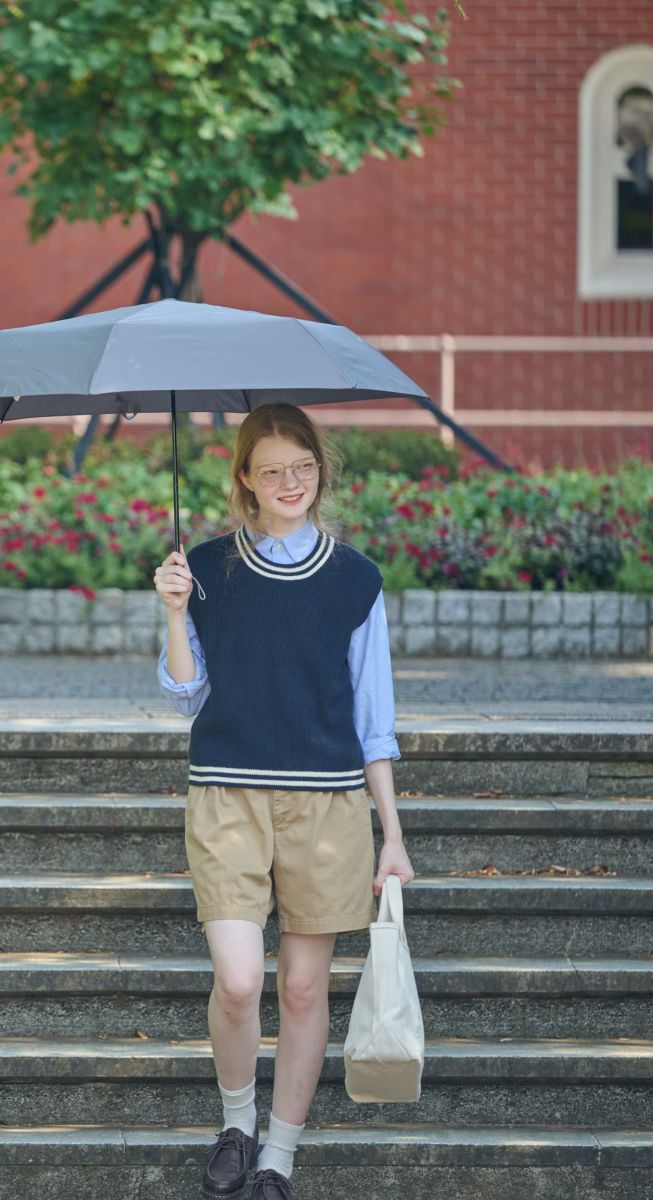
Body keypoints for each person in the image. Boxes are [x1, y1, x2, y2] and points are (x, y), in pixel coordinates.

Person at [151, 403, 415, 1200]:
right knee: (238, 981)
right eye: (271, 470)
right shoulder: (206, 568)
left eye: (302, 467)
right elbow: (185, 695)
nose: (290, 482)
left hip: (327, 807)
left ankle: (279, 1156)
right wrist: (174, 612)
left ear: (320, 472)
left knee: (302, 989)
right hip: (227, 795)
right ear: (246, 479)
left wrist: (392, 835)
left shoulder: (355, 579)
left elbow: (374, 720)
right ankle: (237, 1125)